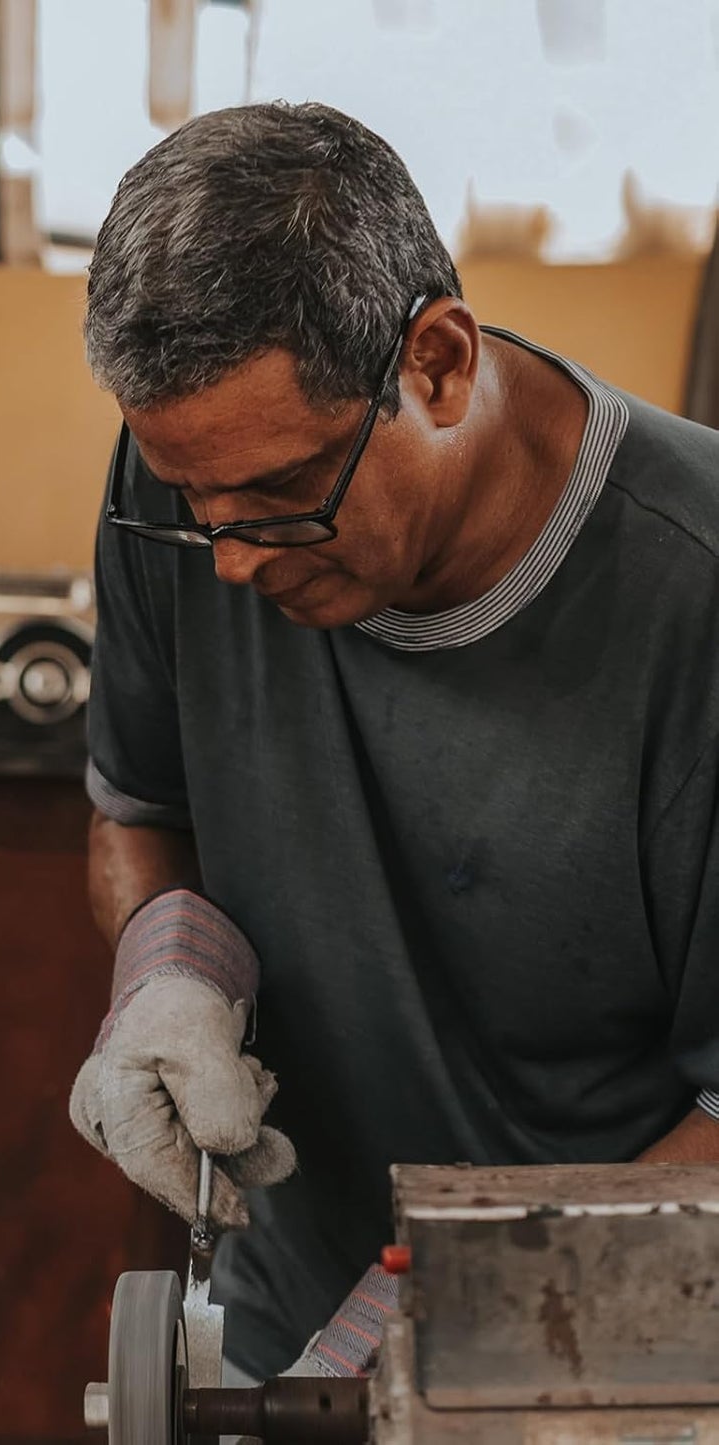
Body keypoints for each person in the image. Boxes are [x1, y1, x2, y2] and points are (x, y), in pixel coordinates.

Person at [68, 100, 719, 1384]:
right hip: (296, 1334)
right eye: (194, 506)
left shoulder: (690, 596)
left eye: (280, 499)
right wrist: (166, 971)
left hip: (618, 1354)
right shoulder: (192, 483)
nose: (234, 556)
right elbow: (139, 808)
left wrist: (464, 1304)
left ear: (435, 361)